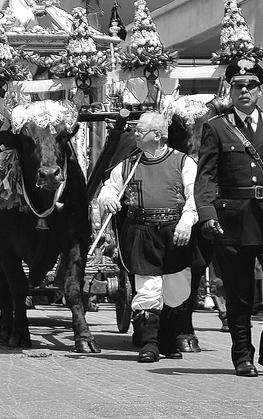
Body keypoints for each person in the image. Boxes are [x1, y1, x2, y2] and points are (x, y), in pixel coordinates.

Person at [196, 59, 263, 377]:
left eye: (250, 85)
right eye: (238, 86)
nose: (244, 91)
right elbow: (206, 177)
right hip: (233, 221)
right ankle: (243, 355)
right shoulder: (215, 128)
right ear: (230, 90)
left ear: (259, 90)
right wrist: (206, 214)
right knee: (239, 292)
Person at [97, 112, 200, 363]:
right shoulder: (128, 165)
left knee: (177, 291)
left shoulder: (183, 162)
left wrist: (187, 221)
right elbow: (109, 188)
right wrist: (108, 198)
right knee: (147, 289)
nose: (135, 134)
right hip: (142, 230)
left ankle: (167, 340)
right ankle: (149, 344)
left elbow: (195, 196)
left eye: (140, 131)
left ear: (157, 135)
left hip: (175, 232)